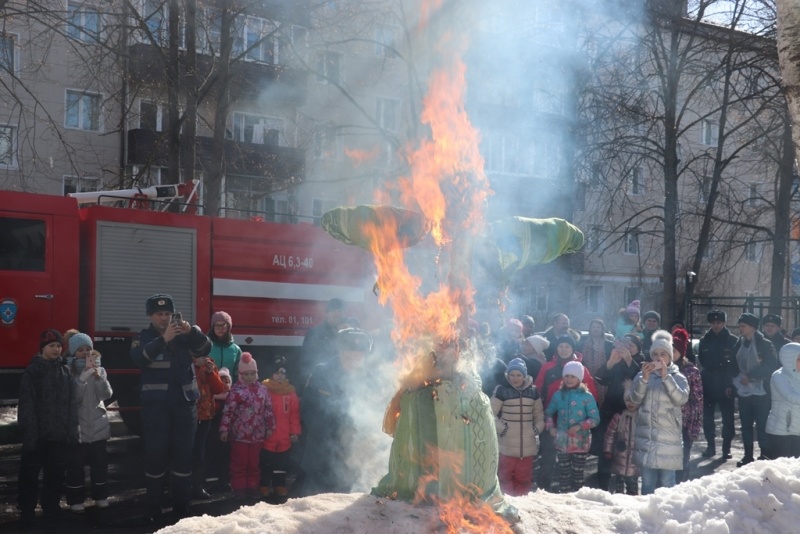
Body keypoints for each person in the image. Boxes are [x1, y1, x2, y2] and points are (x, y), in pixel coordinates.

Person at [130, 294, 212, 522]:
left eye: (168, 314)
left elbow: (206, 348)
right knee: (155, 457)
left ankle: (181, 507)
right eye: (159, 314)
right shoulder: (144, 336)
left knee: (183, 457)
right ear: (151, 316)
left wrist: (191, 332)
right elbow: (139, 358)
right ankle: (154, 508)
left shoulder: (184, 336)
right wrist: (163, 339)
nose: (164, 318)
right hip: (156, 408)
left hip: (184, 406)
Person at [301, 327, 373, 495]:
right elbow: (308, 409)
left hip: (356, 461)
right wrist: (335, 434)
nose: (353, 356)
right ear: (340, 350)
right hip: (321, 459)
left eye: (359, 353)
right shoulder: (322, 372)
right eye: (349, 351)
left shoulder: (370, 377)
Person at [17, 329, 74, 524]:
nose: (56, 349)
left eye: (59, 346)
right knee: (30, 474)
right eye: (52, 346)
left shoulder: (64, 371)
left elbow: (69, 403)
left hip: (59, 433)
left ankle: (51, 506)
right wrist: (30, 433)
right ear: (43, 348)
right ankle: (27, 509)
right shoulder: (33, 372)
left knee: (56, 474)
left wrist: (68, 429)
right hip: (38, 433)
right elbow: (27, 405)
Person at [534, 334, 598, 491]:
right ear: (556, 348)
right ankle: (545, 489)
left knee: (576, 467)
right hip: (554, 423)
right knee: (549, 457)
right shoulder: (547, 367)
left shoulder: (581, 369)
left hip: (577, 428)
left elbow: (593, 396)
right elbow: (537, 389)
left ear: (572, 349)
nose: (563, 349)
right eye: (561, 346)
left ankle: (575, 493)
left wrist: (584, 422)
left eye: (567, 346)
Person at [629, 330, 689, 495]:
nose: (658, 357)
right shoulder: (642, 375)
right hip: (647, 437)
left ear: (670, 356)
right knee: (647, 483)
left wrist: (665, 378)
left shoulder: (679, 377)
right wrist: (644, 380)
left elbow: (681, 399)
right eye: (655, 354)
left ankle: (668, 515)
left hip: (668, 439)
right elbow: (634, 400)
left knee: (667, 482)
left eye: (663, 353)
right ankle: (647, 516)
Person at [65, 335, 113, 512]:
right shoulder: (68, 370)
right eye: (80, 350)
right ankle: (76, 500)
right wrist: (81, 380)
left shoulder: (100, 369)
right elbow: (72, 399)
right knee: (75, 467)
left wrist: (100, 378)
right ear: (73, 352)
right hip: (78, 428)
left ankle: (101, 496)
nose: (85, 353)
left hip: (98, 425)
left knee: (100, 465)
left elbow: (106, 395)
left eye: (88, 349)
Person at [220, 353, 276, 499]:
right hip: (240, 434)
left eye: (252, 373)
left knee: (254, 463)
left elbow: (268, 409)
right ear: (240, 374)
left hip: (257, 434)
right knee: (239, 462)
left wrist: (270, 426)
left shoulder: (262, 390)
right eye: (246, 374)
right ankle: (239, 488)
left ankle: (252, 487)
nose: (250, 377)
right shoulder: (236, 391)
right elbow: (228, 411)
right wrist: (224, 429)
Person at [490, 358, 545, 496]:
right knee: (504, 477)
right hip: (506, 445)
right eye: (512, 375)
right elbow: (490, 413)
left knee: (524, 478)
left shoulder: (533, 391)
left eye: (518, 375)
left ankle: (522, 503)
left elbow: (539, 414)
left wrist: (537, 428)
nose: (515, 378)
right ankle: (507, 501)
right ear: (507, 375)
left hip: (527, 446)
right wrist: (501, 428)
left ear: (524, 376)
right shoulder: (502, 390)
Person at [544, 361, 600, 493]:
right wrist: (550, 427)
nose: (569, 379)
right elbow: (548, 413)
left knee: (578, 473)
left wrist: (580, 426)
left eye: (573, 376)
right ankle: (564, 497)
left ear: (579, 378)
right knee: (563, 473)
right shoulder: (558, 395)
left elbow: (595, 419)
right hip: (562, 441)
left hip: (580, 442)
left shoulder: (587, 396)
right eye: (566, 376)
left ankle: (577, 499)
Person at [731, 313, 778, 466]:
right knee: (745, 425)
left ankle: (764, 454)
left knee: (762, 424)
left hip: (761, 392)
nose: (740, 329)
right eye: (740, 326)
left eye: (743, 326)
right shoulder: (739, 343)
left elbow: (770, 365)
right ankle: (748, 455)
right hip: (744, 391)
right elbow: (732, 364)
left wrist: (750, 376)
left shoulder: (765, 344)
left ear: (752, 327)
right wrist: (733, 383)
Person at [698, 310, 737, 459]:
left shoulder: (732, 340)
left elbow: (734, 364)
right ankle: (710, 446)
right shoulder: (704, 340)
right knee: (708, 417)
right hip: (708, 381)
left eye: (719, 322)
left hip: (725, 380)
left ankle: (726, 448)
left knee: (728, 417)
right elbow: (702, 359)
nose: (716, 325)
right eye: (713, 323)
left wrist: (730, 383)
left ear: (724, 323)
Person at [260, 357, 301, 499]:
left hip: (284, 436)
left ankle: (279, 485)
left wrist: (294, 432)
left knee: (281, 463)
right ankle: (264, 485)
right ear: (271, 374)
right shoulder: (264, 390)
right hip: (268, 435)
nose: (280, 376)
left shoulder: (291, 393)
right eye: (277, 373)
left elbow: (294, 415)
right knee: (266, 462)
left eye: (283, 374)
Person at [191, 348, 226, 499]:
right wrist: (194, 363)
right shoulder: (184, 361)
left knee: (199, 452)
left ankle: (197, 487)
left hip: (204, 415)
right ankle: (179, 487)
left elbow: (218, 389)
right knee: (182, 451)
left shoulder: (209, 364)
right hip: (185, 415)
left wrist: (211, 372)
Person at [671, 328, 703, 483]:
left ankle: (681, 483)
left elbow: (697, 399)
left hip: (685, 421)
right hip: (667, 422)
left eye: (675, 350)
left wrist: (694, 424)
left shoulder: (691, 371)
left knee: (683, 457)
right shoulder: (664, 370)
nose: (672, 353)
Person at [765, 343, 800, 458]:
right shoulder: (779, 376)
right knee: (780, 471)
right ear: (790, 359)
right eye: (799, 359)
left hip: (797, 431)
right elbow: (790, 396)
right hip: (781, 431)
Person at [299, 298, 345, 384]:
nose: (338, 315)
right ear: (327, 313)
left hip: (342, 380)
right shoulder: (314, 333)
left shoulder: (347, 333)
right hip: (321, 379)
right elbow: (306, 359)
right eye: (335, 312)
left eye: (341, 312)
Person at [603, 391, 639, 495]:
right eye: (627, 400)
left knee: (633, 487)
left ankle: (633, 503)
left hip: (635, 459)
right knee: (619, 486)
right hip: (619, 456)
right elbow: (610, 433)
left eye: (634, 401)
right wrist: (608, 449)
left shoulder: (641, 417)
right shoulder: (619, 416)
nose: (630, 403)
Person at [207, 367, 233, 490]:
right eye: (221, 380)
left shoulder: (233, 399)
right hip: (211, 432)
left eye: (227, 381)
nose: (224, 384)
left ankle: (224, 480)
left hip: (227, 434)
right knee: (211, 454)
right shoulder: (211, 398)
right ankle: (211, 480)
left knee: (226, 456)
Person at [207, 311, 242, 382]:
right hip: (210, 388)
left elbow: (238, 373)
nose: (220, 328)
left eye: (223, 325)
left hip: (229, 389)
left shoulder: (236, 349)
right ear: (213, 327)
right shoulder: (206, 346)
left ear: (228, 327)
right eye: (217, 325)